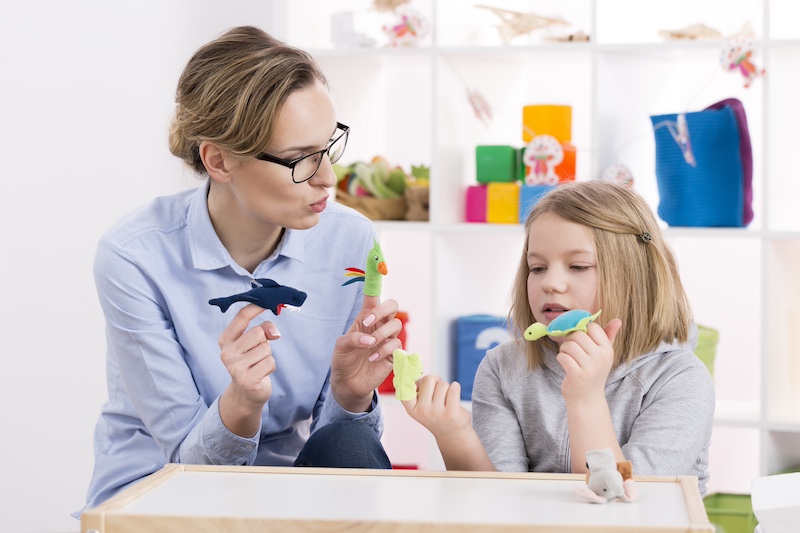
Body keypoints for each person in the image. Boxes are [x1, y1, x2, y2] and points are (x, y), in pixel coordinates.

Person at [78, 26, 401, 513]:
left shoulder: (349, 239)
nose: (329, 178)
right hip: (162, 490)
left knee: (351, 446)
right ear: (219, 161)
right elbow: (187, 465)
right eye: (299, 160)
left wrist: (352, 394)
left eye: (329, 146)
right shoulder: (133, 258)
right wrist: (241, 405)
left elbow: (340, 454)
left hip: (283, 493)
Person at [402, 181, 715, 495]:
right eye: (537, 267)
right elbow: (499, 503)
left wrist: (586, 397)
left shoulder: (680, 380)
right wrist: (456, 436)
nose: (550, 283)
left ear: (634, 274)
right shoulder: (503, 368)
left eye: (578, 266)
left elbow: (625, 504)